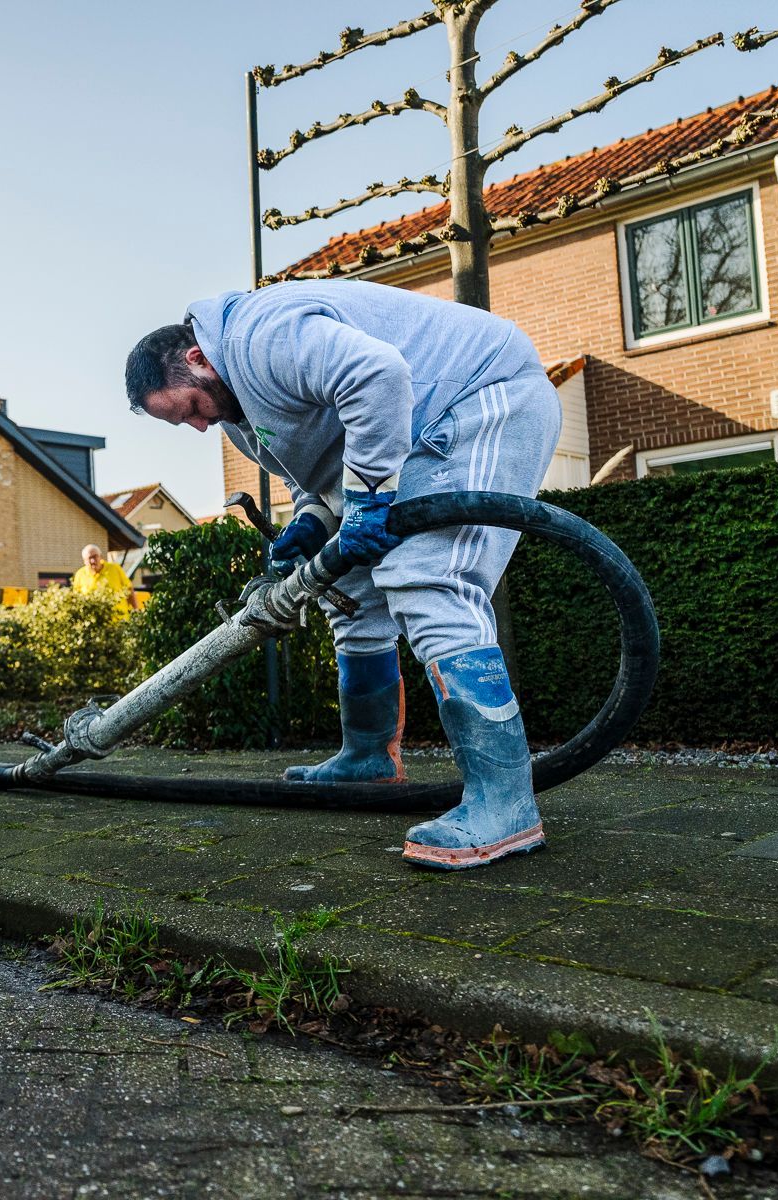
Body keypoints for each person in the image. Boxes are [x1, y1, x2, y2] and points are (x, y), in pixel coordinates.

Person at [124, 280, 561, 870]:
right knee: (349, 589)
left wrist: (371, 498)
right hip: (419, 436)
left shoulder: (262, 335)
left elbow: (379, 376)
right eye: (184, 424)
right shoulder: (239, 412)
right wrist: (309, 519)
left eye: (192, 410)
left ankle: (506, 806)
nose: (201, 427)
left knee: (429, 578)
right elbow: (323, 472)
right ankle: (368, 757)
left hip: (486, 402)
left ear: (197, 358)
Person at [71, 543, 134, 617]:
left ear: (101, 557)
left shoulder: (115, 569)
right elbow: (76, 599)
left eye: (95, 556)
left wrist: (136, 611)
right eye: (89, 558)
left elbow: (129, 590)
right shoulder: (80, 574)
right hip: (94, 623)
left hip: (119, 620)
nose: (93, 561)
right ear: (84, 561)